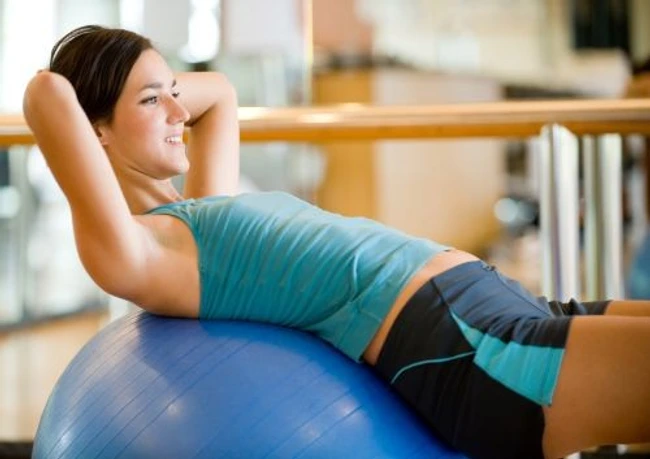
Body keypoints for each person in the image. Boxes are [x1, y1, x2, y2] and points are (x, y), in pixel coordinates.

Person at [22, 25, 650, 459]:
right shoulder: (137, 255)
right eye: (152, 101)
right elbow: (45, 92)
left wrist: (147, 85)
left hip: (505, 305)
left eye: (173, 95)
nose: (179, 113)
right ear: (93, 130)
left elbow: (221, 96)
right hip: (469, 349)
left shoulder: (200, 208)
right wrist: (103, 80)